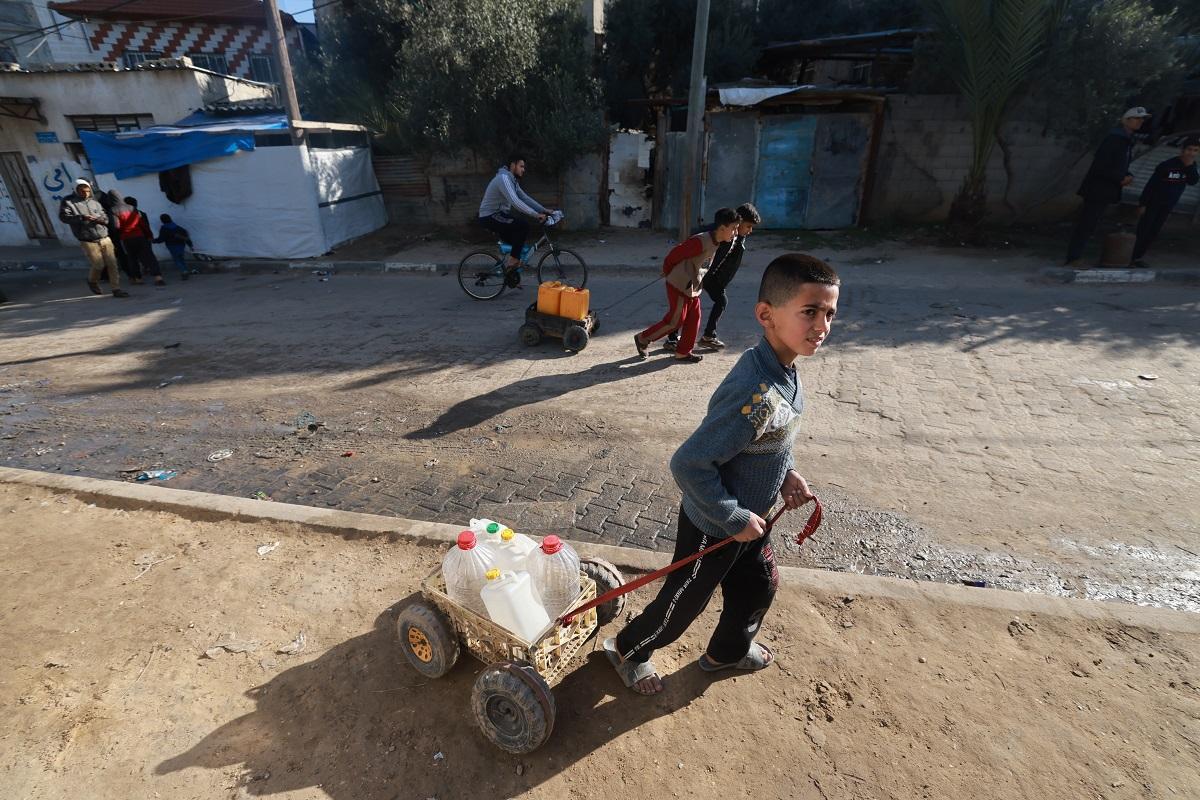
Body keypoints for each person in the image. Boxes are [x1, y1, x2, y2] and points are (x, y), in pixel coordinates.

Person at [606, 253, 839, 695]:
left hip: (752, 522)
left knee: (759, 586)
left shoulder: (784, 370)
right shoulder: (756, 390)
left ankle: (726, 653)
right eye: (809, 311)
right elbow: (689, 463)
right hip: (716, 525)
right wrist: (733, 517)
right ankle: (626, 650)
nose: (822, 325)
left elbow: (768, 439)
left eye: (829, 313)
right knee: (680, 606)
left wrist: (787, 473)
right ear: (766, 315)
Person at [633, 208, 739, 364]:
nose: (735, 233)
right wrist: (667, 270)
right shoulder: (700, 241)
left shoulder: (718, 241)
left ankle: (683, 352)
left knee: (694, 318)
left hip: (692, 286)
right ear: (722, 228)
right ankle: (643, 338)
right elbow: (675, 254)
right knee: (675, 321)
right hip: (679, 284)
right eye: (734, 228)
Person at [666, 202, 762, 351]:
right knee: (684, 306)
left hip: (712, 276)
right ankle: (674, 338)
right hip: (699, 273)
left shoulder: (738, 238)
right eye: (748, 226)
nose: (750, 231)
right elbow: (692, 247)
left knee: (720, 301)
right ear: (739, 222)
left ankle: (707, 336)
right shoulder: (717, 233)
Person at [1064, 106, 1151, 268]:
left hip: (1105, 189)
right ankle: (1073, 257)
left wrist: (1127, 174)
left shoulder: (1125, 140)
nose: (1140, 122)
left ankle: (1076, 256)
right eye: (1137, 118)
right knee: (1087, 224)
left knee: (1090, 224)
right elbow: (1101, 166)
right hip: (1099, 188)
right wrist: (1120, 178)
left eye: (1142, 119)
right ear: (1127, 120)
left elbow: (1118, 164)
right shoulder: (1115, 139)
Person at [477, 155, 559, 285]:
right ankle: (512, 263)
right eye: (521, 166)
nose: (523, 169)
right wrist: (535, 214)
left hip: (499, 215)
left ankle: (510, 272)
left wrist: (543, 210)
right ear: (512, 165)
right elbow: (515, 202)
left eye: (524, 167)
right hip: (490, 216)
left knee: (519, 239)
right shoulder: (503, 178)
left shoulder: (512, 181)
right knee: (523, 226)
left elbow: (524, 198)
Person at [1130, 136, 1199, 268]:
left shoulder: (1191, 166)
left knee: (1154, 231)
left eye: (1195, 150)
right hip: (1153, 203)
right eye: (1189, 149)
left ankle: (1137, 257)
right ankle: (1129, 256)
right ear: (1182, 150)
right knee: (1143, 230)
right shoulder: (1167, 165)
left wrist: (1189, 167)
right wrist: (1142, 204)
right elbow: (1151, 185)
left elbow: (1193, 181)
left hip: (1168, 205)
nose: (1191, 153)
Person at [57, 178, 129, 298]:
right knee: (99, 265)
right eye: (82, 191)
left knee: (112, 264)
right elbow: (64, 217)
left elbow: (105, 218)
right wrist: (82, 218)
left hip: (104, 237)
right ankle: (92, 281)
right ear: (76, 190)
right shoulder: (69, 202)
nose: (85, 194)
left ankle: (116, 289)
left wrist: (100, 220)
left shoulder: (95, 202)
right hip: (87, 239)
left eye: (87, 191)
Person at [112, 194, 165, 287]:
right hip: (140, 236)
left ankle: (138, 278)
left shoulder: (114, 210)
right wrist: (149, 235)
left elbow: (117, 226)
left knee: (132, 258)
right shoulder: (134, 210)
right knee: (150, 257)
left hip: (126, 238)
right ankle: (158, 277)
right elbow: (143, 224)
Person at [98, 188, 137, 284]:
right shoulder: (130, 207)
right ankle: (136, 275)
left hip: (115, 236)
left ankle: (131, 276)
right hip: (132, 234)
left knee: (120, 256)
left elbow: (114, 225)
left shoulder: (111, 209)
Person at [154, 213, 195, 280]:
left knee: (177, 260)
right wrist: (190, 245)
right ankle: (185, 270)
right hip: (181, 245)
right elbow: (186, 238)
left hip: (172, 246)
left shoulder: (164, 228)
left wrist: (153, 241)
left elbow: (161, 239)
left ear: (162, 221)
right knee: (181, 258)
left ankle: (184, 271)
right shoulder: (179, 228)